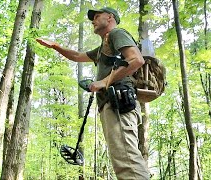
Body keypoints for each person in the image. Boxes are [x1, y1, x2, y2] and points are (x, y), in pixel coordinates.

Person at [36, 7, 150, 179]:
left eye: (97, 16)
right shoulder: (101, 49)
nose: (93, 21)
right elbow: (76, 56)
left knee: (127, 161)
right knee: (122, 158)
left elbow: (136, 59)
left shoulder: (116, 34)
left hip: (119, 100)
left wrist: (104, 82)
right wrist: (56, 46)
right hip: (110, 104)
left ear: (110, 17)